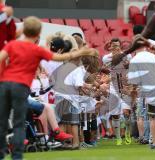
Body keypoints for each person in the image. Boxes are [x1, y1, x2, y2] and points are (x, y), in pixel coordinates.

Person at [0, 16, 97, 160]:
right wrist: (82, 52)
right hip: (20, 89)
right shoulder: (37, 50)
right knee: (19, 123)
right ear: (38, 31)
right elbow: (60, 58)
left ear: (23, 30)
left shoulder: (12, 46)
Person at [128, 39, 155, 149]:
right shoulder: (154, 57)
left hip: (147, 91)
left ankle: (154, 141)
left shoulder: (134, 60)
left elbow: (133, 82)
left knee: (151, 117)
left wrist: (133, 94)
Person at [102, 38, 132, 145]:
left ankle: (128, 132)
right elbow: (104, 70)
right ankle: (118, 137)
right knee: (115, 115)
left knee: (126, 112)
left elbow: (130, 68)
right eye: (113, 46)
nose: (116, 48)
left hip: (124, 87)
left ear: (120, 46)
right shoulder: (106, 58)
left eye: (117, 46)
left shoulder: (127, 56)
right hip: (113, 87)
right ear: (110, 46)